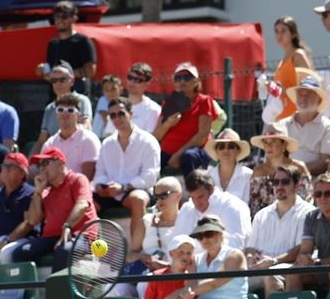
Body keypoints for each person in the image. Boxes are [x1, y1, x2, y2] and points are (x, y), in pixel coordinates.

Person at [94, 102, 160, 256]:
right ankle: (92, 253)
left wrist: (124, 187)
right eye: (113, 115)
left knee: (138, 199)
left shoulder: (148, 141)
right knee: (85, 202)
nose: (117, 118)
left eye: (121, 114)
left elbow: (150, 176)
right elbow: (100, 174)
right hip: (110, 192)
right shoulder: (107, 143)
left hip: (135, 190)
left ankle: (135, 253)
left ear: (131, 113)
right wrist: (100, 187)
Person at [245, 161, 314, 293]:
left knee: (271, 275)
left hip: (288, 267)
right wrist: (250, 258)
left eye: (285, 182)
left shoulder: (308, 213)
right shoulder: (261, 214)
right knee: (229, 279)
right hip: (261, 268)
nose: (279, 186)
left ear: (297, 185)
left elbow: (301, 249)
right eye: (276, 182)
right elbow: (250, 247)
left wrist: (274, 261)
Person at [152, 63, 220, 174]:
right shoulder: (168, 103)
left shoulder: (204, 101)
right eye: (178, 78)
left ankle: (194, 190)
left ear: (196, 81)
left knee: (188, 156)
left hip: (194, 151)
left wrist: (178, 155)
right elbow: (156, 136)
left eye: (187, 77)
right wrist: (168, 123)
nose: (182, 81)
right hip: (167, 152)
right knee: (151, 157)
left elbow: (202, 136)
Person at [0, 153, 35, 266]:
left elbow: (28, 224)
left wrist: (6, 241)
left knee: (5, 254)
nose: (6, 170)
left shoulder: (30, 194)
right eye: (4, 166)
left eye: (11, 167)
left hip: (20, 240)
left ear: (23, 173)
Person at [173, 168, 250, 249]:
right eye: (192, 198)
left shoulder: (233, 205)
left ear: (211, 190)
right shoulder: (187, 208)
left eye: (200, 197)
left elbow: (236, 246)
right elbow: (174, 244)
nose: (196, 203)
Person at [283, 73, 330, 176]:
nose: (303, 97)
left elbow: (325, 161)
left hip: (313, 179)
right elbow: (276, 157)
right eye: (300, 93)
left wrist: (295, 172)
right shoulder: (283, 124)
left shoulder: (328, 127)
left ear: (319, 100)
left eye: (308, 93)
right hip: (284, 179)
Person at [40, 0, 97, 96]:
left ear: (74, 18)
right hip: (56, 99)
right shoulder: (53, 44)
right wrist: (43, 71)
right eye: (57, 17)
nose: (60, 20)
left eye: (64, 17)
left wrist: (64, 75)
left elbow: (90, 71)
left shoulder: (83, 41)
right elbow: (50, 72)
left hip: (78, 97)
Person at [41, 94, 100, 182]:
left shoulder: (89, 140)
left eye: (70, 110)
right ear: (56, 114)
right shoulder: (49, 143)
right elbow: (44, 173)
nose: (65, 114)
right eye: (60, 110)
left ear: (78, 115)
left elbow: (87, 179)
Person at [271, 18, 313, 122]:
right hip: (282, 117)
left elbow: (310, 86)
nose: (279, 35)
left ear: (293, 34)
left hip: (296, 117)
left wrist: (282, 90)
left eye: (283, 30)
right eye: (277, 31)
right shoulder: (282, 61)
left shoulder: (298, 55)